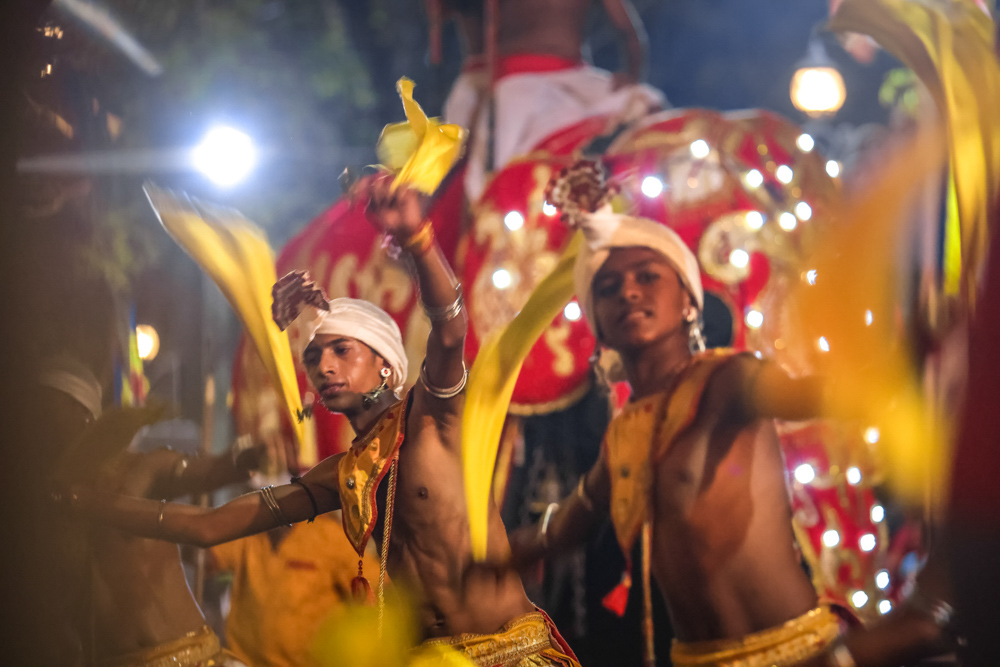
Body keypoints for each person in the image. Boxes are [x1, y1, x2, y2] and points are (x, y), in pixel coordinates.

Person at [68, 175, 580, 667]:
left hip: (507, 655)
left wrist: (415, 236)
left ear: (385, 364)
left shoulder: (432, 421)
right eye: (313, 358)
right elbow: (210, 527)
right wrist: (83, 502)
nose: (324, 366)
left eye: (341, 350)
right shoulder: (344, 474)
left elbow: (449, 328)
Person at [507, 163, 956, 666]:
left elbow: (812, 396)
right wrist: (476, 559)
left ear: (688, 303)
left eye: (648, 277)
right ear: (599, 328)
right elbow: (563, 528)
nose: (629, 292)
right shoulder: (624, 435)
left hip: (799, 655)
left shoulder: (729, 381)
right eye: (608, 288)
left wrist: (907, 358)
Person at [49, 376, 265, 666]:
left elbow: (210, 471)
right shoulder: (35, 504)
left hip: (189, 657)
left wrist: (246, 455)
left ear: (82, 414)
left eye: (48, 406)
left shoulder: (138, 468)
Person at [431, 0, 664, 200]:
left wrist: (631, 75)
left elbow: (629, 34)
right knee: (491, 175)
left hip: (574, 74)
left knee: (647, 102)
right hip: (517, 78)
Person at [208, 514, 380, 667]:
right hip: (242, 662)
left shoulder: (329, 535)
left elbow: (380, 590)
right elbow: (208, 557)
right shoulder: (252, 530)